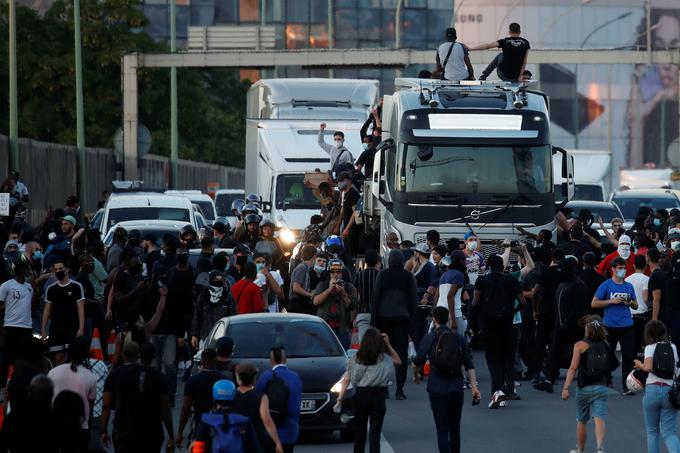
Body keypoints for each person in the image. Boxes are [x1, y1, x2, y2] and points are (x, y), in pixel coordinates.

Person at [413, 306, 481, 453]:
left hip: (437, 388)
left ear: (434, 320)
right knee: (455, 427)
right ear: (448, 320)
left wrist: (415, 376)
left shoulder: (429, 338)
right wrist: (474, 388)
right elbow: (469, 365)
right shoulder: (459, 338)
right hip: (456, 387)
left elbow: (417, 360)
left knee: (442, 429)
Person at [334, 327, 401, 453]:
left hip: (361, 395)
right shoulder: (383, 358)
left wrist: (339, 399)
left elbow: (347, 380)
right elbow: (398, 361)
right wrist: (388, 344)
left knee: (359, 434)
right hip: (378, 395)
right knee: (375, 435)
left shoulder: (356, 359)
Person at [101, 341, 175, 452]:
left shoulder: (120, 375)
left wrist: (107, 429)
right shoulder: (159, 377)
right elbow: (165, 408)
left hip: (125, 431)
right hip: (151, 432)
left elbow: (111, 404)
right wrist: (171, 435)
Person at [471, 254, 524, 407]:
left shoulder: (482, 281)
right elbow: (522, 302)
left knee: (493, 359)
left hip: (489, 325)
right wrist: (512, 312)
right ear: (503, 267)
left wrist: (475, 325)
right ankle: (510, 390)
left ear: (488, 266)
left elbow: (475, 303)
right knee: (508, 358)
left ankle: (497, 390)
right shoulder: (512, 280)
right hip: (508, 324)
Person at [562, 315, 619, 453]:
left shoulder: (580, 345)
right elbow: (612, 365)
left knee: (582, 420)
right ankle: (600, 447)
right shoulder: (606, 344)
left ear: (587, 330)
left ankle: (580, 449)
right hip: (601, 386)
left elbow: (573, 368)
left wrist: (566, 387)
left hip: (584, 387)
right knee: (599, 417)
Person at [371, 249, 417, 400]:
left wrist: (374, 320)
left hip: (383, 318)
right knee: (401, 353)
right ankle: (400, 389)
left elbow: (376, 297)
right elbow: (413, 300)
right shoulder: (408, 276)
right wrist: (411, 318)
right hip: (402, 318)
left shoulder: (382, 274)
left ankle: (384, 387)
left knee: (383, 353)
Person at [542, 256, 591, 393]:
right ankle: (549, 380)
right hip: (560, 326)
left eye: (562, 269)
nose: (559, 272)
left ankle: (586, 380)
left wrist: (568, 322)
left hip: (574, 327)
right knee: (554, 352)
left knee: (580, 353)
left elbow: (580, 308)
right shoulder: (563, 285)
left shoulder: (578, 285)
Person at [592, 256, 639, 393]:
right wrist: (611, 301)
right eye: (620, 268)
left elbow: (636, 305)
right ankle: (606, 379)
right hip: (610, 326)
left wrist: (629, 302)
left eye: (624, 268)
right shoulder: (606, 285)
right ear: (613, 269)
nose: (622, 271)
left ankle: (627, 386)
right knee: (607, 355)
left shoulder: (628, 286)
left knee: (628, 356)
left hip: (627, 325)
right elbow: (594, 303)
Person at [634, 320, 680, 453]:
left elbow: (648, 367)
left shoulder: (650, 348)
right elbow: (677, 370)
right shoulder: (673, 347)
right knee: (669, 432)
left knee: (652, 432)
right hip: (669, 391)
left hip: (652, 390)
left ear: (649, 334)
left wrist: (639, 364)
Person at [47, 336, 97, 452]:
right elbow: (91, 405)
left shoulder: (53, 372)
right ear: (86, 354)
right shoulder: (90, 377)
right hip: (80, 427)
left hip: (56, 425)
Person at [176, 348, 229, 449]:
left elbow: (185, 409)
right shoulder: (225, 380)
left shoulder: (193, 381)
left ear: (202, 360)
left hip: (200, 426)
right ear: (216, 360)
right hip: (222, 427)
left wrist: (180, 432)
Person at [256, 347, 303, 453]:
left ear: (271, 360)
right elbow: (296, 406)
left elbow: (257, 399)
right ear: (285, 359)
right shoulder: (295, 377)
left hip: (269, 430)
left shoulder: (265, 377)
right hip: (289, 429)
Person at [0, 256, 36, 391]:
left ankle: (22, 385)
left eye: (24, 268)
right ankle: (3, 387)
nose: (23, 271)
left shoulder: (29, 287)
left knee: (24, 358)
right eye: (21, 268)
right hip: (11, 326)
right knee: (6, 359)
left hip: (26, 327)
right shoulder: (6, 285)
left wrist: (34, 286)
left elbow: (34, 304)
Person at [41, 259, 86, 365]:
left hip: (72, 327)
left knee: (72, 357)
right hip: (56, 328)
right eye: (56, 269)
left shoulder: (76, 286)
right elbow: (47, 309)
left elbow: (81, 308)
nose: (58, 271)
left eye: (60, 268)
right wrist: (43, 329)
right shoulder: (51, 288)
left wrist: (81, 328)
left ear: (67, 269)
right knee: (58, 357)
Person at [234, 362, 285, 453]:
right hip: (255, 437)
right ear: (254, 379)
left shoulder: (231, 395)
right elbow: (266, 419)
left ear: (238, 378)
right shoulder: (260, 396)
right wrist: (277, 442)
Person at [312, 259, 357, 350]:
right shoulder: (322, 285)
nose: (336, 275)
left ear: (342, 273)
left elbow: (352, 306)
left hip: (342, 330)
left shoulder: (349, 287)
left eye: (338, 272)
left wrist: (343, 293)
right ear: (329, 273)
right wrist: (329, 289)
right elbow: (315, 301)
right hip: (325, 330)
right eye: (333, 272)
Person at [191, 270, 236, 349]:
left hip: (223, 337)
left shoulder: (227, 297)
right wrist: (194, 335)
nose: (218, 281)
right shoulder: (203, 296)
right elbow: (197, 316)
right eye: (216, 279)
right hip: (205, 336)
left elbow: (233, 316)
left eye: (220, 279)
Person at [626, 254, 651, 355]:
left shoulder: (627, 280)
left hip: (629, 315)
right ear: (646, 266)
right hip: (642, 315)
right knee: (641, 344)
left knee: (630, 344)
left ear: (634, 266)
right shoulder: (647, 279)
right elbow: (646, 299)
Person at [354, 249, 380, 343]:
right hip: (379, 314)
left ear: (365, 261)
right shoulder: (380, 275)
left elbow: (356, 297)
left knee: (364, 346)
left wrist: (354, 317)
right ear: (377, 261)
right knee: (378, 346)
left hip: (363, 313)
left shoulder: (359, 275)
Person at [337, 171, 361, 258]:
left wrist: (347, 229)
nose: (339, 183)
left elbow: (355, 213)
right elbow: (343, 210)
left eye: (341, 181)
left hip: (352, 229)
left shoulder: (353, 193)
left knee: (351, 251)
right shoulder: (346, 194)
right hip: (347, 227)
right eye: (338, 181)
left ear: (348, 181)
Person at [288, 244, 316, 314]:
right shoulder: (302, 268)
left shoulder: (305, 268)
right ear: (314, 257)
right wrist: (311, 294)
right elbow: (296, 288)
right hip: (296, 304)